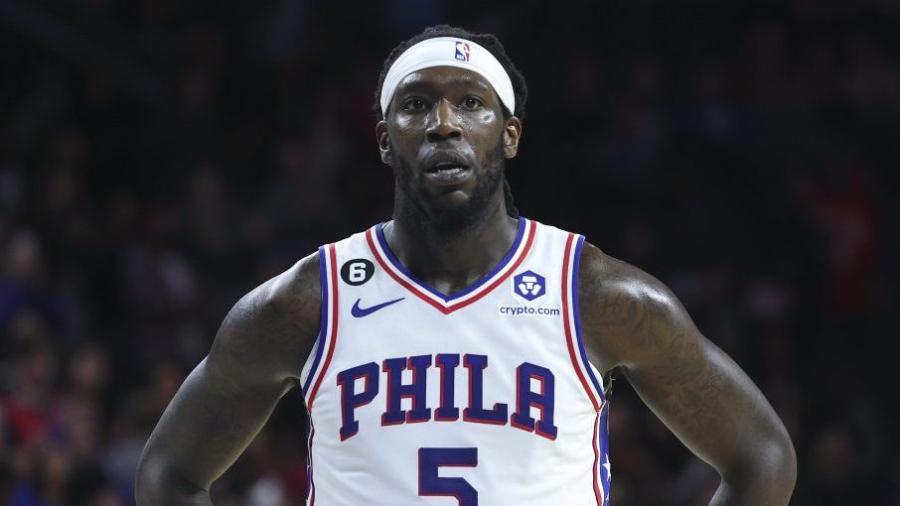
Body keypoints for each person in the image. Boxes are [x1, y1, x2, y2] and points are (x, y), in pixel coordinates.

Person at [135, 25, 796, 505]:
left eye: (472, 103)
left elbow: (762, 457)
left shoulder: (596, 295)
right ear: (385, 139)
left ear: (509, 135)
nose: (445, 123)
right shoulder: (306, 303)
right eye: (417, 104)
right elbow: (168, 474)